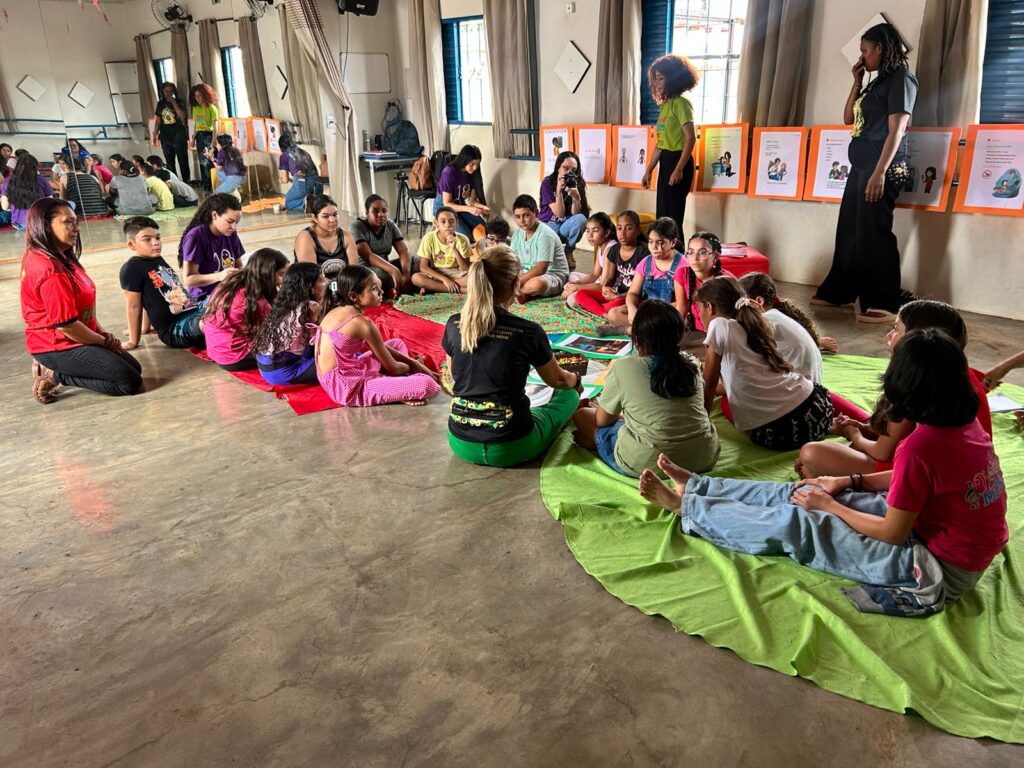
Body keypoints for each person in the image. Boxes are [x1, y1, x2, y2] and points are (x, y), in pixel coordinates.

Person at [638, 329, 1008, 618]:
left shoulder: (922, 445)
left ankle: (688, 508)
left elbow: (892, 533)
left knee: (801, 524)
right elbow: (907, 480)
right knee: (804, 491)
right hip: (932, 534)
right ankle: (699, 485)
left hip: (937, 568)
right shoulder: (963, 423)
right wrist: (845, 482)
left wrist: (830, 506)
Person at [797, 299, 995, 479]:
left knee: (811, 453)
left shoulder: (914, 381)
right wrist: (862, 429)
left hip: (921, 475)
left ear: (917, 338)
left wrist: (853, 434)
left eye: (896, 329)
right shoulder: (964, 375)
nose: (889, 335)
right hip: (970, 473)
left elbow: (882, 452)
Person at [813, 23, 919, 323]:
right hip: (861, 166)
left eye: (865, 51)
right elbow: (848, 118)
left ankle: (885, 301)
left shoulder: (902, 79)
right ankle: (841, 291)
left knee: (874, 232)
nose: (862, 57)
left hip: (882, 166)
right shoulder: (876, 82)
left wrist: (879, 172)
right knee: (850, 229)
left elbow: (897, 130)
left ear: (880, 48)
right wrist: (857, 82)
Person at [443, 245, 583, 467]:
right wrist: (576, 381)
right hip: (513, 446)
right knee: (568, 396)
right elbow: (558, 380)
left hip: (461, 442)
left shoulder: (453, 324)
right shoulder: (528, 331)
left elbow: (453, 375)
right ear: (516, 283)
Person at [572, 300, 719, 477]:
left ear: (637, 338)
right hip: (704, 457)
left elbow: (602, 421)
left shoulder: (625, 367)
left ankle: (596, 444)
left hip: (647, 463)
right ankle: (595, 442)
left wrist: (620, 417)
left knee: (582, 415)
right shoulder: (692, 363)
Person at [20, 198, 142, 403]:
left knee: (135, 368)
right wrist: (103, 342)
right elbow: (66, 326)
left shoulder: (63, 257)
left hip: (79, 336)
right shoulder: (50, 270)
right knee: (129, 382)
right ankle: (54, 375)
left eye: (76, 222)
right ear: (45, 225)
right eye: (68, 222)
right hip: (57, 345)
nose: (76, 228)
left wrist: (102, 335)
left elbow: (84, 307)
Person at [697, 275, 834, 450]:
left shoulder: (719, 325)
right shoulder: (753, 321)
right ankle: (835, 426)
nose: (699, 315)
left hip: (783, 430)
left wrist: (700, 427)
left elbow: (709, 383)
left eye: (699, 309)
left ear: (709, 307)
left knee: (730, 405)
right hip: (818, 406)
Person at [314, 265, 440, 406]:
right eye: (374, 289)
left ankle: (392, 387)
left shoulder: (337, 310)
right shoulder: (362, 324)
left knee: (396, 344)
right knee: (427, 384)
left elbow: (381, 350)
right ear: (354, 296)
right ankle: (394, 390)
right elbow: (394, 368)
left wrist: (413, 363)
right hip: (348, 388)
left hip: (341, 375)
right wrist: (416, 366)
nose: (381, 292)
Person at [119, 216, 206, 350]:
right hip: (174, 328)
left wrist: (145, 328)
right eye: (147, 239)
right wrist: (133, 341)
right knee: (212, 323)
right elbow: (134, 306)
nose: (155, 243)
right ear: (132, 245)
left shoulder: (157, 259)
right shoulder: (131, 268)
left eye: (157, 238)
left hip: (193, 311)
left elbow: (150, 297)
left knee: (225, 303)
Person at [203, 248, 289, 371]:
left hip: (217, 350)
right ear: (267, 273)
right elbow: (276, 331)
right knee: (296, 349)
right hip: (234, 356)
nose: (283, 279)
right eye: (281, 274)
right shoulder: (253, 299)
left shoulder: (233, 281)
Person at [642, 54, 699, 237]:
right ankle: (664, 252)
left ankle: (678, 253)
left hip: (679, 161)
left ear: (673, 78)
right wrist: (649, 170)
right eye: (655, 79)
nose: (657, 83)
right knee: (663, 216)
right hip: (665, 161)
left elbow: (690, 138)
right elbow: (660, 144)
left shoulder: (682, 104)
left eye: (660, 78)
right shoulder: (665, 106)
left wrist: (679, 169)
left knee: (673, 218)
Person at [602, 216, 682, 335]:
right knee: (614, 314)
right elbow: (633, 293)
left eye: (659, 242)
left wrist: (656, 314)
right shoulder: (646, 262)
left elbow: (681, 304)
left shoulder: (681, 265)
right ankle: (645, 330)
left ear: (673, 242)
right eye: (650, 241)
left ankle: (629, 330)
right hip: (647, 311)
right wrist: (632, 309)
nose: (653, 247)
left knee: (669, 326)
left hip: (667, 313)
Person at [252, 262, 325, 386]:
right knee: (341, 358)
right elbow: (322, 342)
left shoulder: (283, 303)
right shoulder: (311, 307)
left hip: (267, 369)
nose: (327, 283)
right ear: (310, 287)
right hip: (285, 372)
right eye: (322, 280)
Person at [739, 272, 840, 354]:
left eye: (741, 301)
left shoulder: (770, 320)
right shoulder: (777, 313)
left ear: (759, 301)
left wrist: (816, 342)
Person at [574, 211, 646, 321]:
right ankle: (606, 315)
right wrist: (606, 287)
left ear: (637, 230)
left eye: (628, 228)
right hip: (615, 293)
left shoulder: (643, 252)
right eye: (619, 228)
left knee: (616, 304)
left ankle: (602, 309)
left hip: (629, 297)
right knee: (580, 294)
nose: (622, 233)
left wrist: (618, 296)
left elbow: (639, 289)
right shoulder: (614, 250)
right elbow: (610, 277)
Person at [178, 193, 244, 300]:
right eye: (230, 221)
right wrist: (219, 276)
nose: (234, 227)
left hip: (227, 292)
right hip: (205, 298)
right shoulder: (197, 237)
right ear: (214, 216)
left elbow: (239, 266)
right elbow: (189, 279)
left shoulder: (230, 233)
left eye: (237, 222)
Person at [509, 194, 570, 302]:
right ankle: (523, 293)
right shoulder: (517, 234)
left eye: (526, 215)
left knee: (537, 284)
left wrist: (516, 283)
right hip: (527, 274)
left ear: (536, 213)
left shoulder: (545, 234)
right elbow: (512, 261)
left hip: (550, 275)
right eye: (518, 217)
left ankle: (517, 292)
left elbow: (541, 269)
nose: (522, 221)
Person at [349, 194, 414, 294]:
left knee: (417, 262)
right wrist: (394, 270)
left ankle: (401, 286)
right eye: (375, 211)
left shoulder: (390, 224)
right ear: (367, 213)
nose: (380, 215)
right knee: (383, 276)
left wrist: (406, 273)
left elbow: (403, 251)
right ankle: (396, 288)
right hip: (367, 269)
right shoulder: (356, 227)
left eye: (384, 211)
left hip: (387, 266)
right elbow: (368, 256)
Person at [538, 150, 591, 266]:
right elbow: (559, 214)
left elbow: (576, 215)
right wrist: (558, 192)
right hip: (548, 225)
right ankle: (551, 255)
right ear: (558, 167)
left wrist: (576, 198)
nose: (569, 173)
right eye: (565, 168)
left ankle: (568, 252)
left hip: (564, 226)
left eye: (573, 170)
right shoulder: (548, 183)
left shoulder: (578, 182)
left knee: (581, 219)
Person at [673, 231, 731, 333]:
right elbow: (681, 308)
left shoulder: (726, 280)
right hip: (696, 332)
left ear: (715, 256)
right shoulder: (682, 273)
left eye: (702, 253)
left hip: (721, 332)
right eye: (691, 252)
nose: (695, 258)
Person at [413, 206, 473, 294]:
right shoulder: (429, 238)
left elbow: (465, 269)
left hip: (456, 273)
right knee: (416, 278)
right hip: (436, 273)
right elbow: (423, 267)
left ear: (457, 223)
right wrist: (445, 280)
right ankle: (461, 290)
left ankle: (434, 287)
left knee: (474, 278)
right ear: (436, 223)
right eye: (443, 222)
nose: (448, 225)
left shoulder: (463, 239)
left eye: (451, 221)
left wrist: (454, 248)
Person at [562, 212, 616, 309]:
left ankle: (599, 304)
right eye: (587, 231)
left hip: (610, 289)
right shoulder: (600, 246)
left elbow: (602, 286)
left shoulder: (610, 249)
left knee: (572, 300)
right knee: (571, 276)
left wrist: (576, 287)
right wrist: (577, 283)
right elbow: (594, 275)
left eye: (595, 231)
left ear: (606, 232)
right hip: (599, 282)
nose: (590, 235)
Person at [434, 144, 490, 238]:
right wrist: (469, 209)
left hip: (460, 205)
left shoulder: (472, 173)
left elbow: (472, 201)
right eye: (472, 164)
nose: (475, 167)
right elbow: (447, 203)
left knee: (484, 228)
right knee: (465, 237)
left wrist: (482, 207)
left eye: (477, 164)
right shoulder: (449, 172)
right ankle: (440, 231)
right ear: (464, 160)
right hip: (444, 208)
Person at [2, 153, 53, 231]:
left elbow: (5, 207)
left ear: (17, 166)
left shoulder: (8, 181)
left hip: (18, 224)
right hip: (39, 222)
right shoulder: (41, 179)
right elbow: (50, 202)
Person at [153, 82, 191, 184]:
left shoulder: (179, 101)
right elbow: (158, 121)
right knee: (169, 161)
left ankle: (187, 181)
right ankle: (174, 182)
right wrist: (154, 134)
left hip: (178, 135)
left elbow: (182, 116)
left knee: (183, 160)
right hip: (165, 136)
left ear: (174, 92)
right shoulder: (160, 104)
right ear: (163, 92)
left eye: (171, 91)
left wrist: (174, 102)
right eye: (166, 91)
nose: (169, 93)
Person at [278, 134, 323, 211]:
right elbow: (307, 175)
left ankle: (305, 204)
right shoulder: (303, 152)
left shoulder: (284, 156)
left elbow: (285, 180)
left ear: (281, 147)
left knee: (288, 201)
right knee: (302, 191)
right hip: (318, 184)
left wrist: (281, 179)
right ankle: (313, 201)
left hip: (304, 184)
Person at [190, 83, 220, 192]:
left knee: (210, 161)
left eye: (200, 96)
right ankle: (206, 186)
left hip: (209, 136)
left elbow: (215, 128)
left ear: (206, 95)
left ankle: (214, 186)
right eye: (196, 96)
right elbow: (196, 126)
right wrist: (193, 139)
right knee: (202, 162)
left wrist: (213, 142)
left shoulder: (212, 109)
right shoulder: (195, 109)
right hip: (200, 137)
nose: (198, 98)